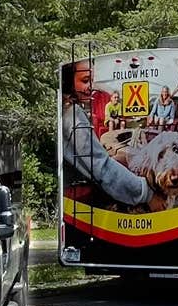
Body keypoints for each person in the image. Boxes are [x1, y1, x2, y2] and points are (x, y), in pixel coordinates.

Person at [61, 60, 152, 208]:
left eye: (92, 80)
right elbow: (100, 166)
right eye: (85, 80)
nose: (90, 86)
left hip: (72, 191)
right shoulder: (72, 113)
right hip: (81, 196)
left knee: (121, 158)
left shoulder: (63, 108)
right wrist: (145, 192)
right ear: (68, 82)